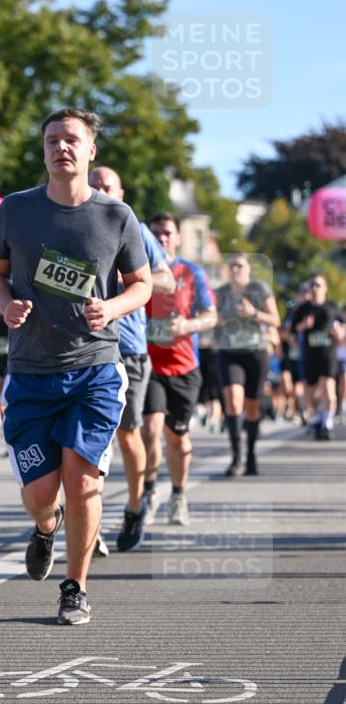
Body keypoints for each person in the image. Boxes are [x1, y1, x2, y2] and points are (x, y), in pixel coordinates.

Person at [0, 108, 152, 625]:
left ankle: (75, 586)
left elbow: (141, 284)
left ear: (90, 150)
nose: (62, 148)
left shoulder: (116, 218)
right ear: (43, 150)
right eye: (53, 140)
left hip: (96, 368)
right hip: (32, 370)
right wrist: (3, 303)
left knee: (82, 481)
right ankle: (45, 526)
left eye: (72, 140)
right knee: (41, 493)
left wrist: (114, 307)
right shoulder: (15, 210)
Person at [88, 166, 176, 552]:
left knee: (127, 434)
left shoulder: (133, 227)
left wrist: (130, 278)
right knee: (89, 441)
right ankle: (92, 525)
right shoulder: (74, 222)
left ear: (120, 191)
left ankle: (136, 504)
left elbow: (167, 279)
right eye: (95, 186)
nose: (101, 191)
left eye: (107, 186)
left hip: (129, 347)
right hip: (85, 347)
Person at [142, 213, 217, 526]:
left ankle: (178, 494)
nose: (162, 238)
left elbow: (211, 315)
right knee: (150, 430)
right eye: (156, 233)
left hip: (185, 366)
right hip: (149, 364)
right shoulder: (139, 269)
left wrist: (188, 324)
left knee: (177, 438)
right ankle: (147, 494)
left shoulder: (192, 272)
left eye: (168, 233)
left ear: (178, 237)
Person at [215, 253, 281, 476]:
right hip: (229, 352)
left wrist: (254, 313)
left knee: (252, 405)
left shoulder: (259, 289)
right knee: (233, 401)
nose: (235, 270)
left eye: (239, 266)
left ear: (249, 268)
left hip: (256, 352)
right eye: (232, 266)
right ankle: (236, 457)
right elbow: (212, 317)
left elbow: (275, 319)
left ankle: (251, 454)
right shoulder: (221, 293)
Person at [290, 275, 344, 440]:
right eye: (312, 285)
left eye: (318, 285)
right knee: (311, 392)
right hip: (309, 355)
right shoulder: (302, 309)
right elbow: (291, 332)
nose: (315, 288)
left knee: (328, 386)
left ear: (325, 288)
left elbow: (342, 324)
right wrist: (303, 326)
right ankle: (317, 418)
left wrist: (340, 332)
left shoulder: (332, 306)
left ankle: (326, 424)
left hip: (328, 354)